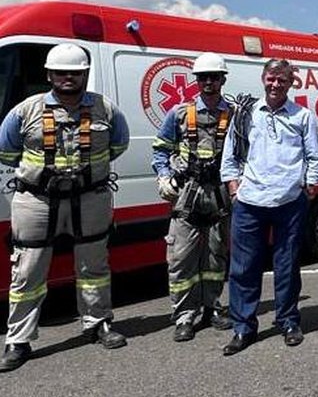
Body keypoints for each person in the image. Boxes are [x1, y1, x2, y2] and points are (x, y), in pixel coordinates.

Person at [0, 43, 130, 372]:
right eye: (61, 72)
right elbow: (6, 150)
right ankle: (18, 340)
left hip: (89, 197)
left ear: (86, 74)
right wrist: (41, 177)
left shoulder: (106, 109)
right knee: (27, 270)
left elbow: (119, 144)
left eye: (75, 72)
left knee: (94, 267)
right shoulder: (25, 110)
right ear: (49, 75)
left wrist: (85, 174)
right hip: (36, 199)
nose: (68, 77)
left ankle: (98, 324)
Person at [218, 58, 318, 355]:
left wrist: (309, 186)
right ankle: (243, 328)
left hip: (289, 203)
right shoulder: (246, 113)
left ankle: (288, 321)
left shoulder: (302, 115)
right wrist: (234, 188)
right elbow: (231, 153)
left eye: (283, 80)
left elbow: (313, 156)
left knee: (287, 265)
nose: (276, 84)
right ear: (263, 79)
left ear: (291, 84)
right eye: (272, 78)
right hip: (249, 202)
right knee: (243, 268)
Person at [151, 53, 234, 342]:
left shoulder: (234, 114)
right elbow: (161, 149)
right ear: (196, 81)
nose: (208, 82)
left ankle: (212, 307)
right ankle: (185, 315)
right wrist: (163, 176)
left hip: (220, 194)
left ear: (223, 79)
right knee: (181, 259)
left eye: (214, 77)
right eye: (203, 77)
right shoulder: (178, 113)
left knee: (216, 254)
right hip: (187, 193)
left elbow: (246, 151)